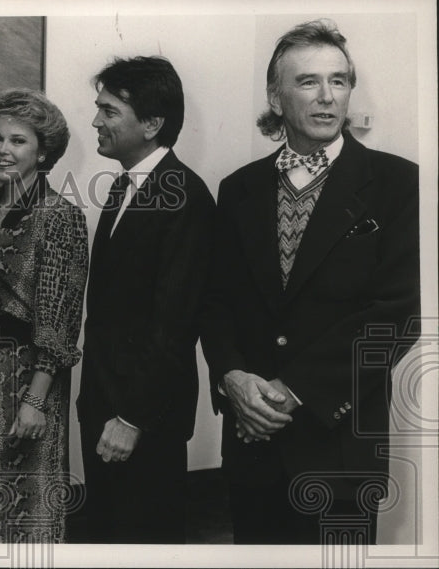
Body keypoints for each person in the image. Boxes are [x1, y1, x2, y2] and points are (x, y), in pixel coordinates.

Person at [200, 19, 420, 544]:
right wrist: (231, 376)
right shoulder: (239, 189)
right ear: (276, 98)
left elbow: (399, 311)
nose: (327, 97)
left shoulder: (398, 184)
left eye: (339, 81)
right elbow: (215, 300)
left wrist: (293, 390)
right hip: (252, 445)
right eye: (308, 82)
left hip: (338, 450)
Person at [75, 56, 215, 543]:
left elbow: (174, 325)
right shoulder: (123, 187)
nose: (96, 121)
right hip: (105, 407)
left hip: (142, 419)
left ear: (153, 124)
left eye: (109, 111)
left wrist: (131, 417)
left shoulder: (184, 196)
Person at [0, 88, 88, 543]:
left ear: (43, 151)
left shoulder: (59, 216)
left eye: (18, 141)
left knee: (21, 497)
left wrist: (36, 399)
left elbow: (61, 316)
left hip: (24, 378)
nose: (2, 150)